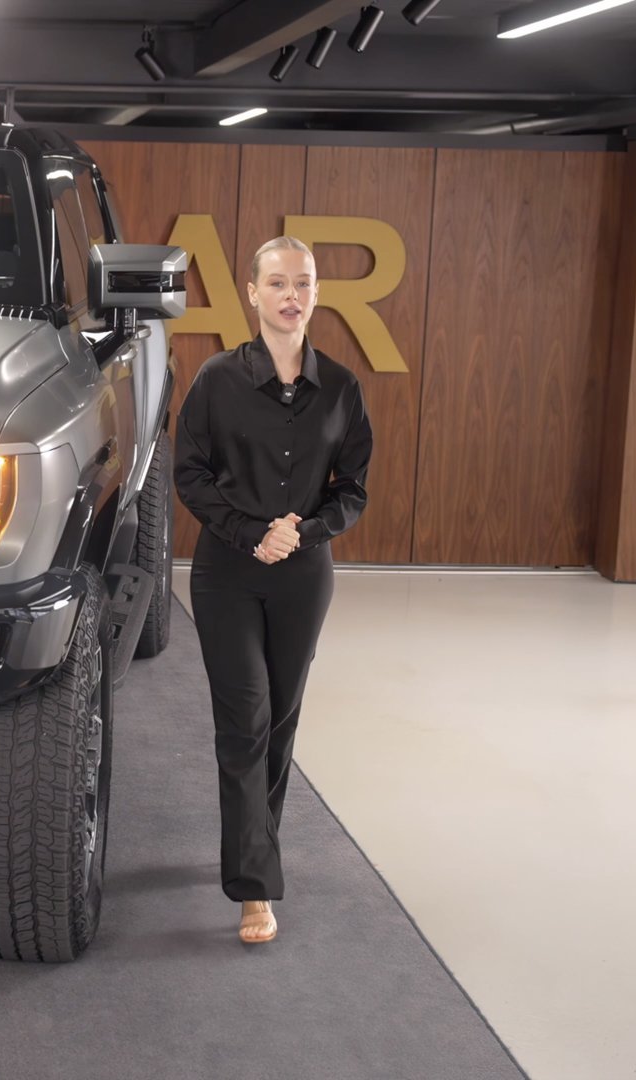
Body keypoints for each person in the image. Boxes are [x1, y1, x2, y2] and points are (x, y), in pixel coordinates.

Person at [173, 235, 373, 945]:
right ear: (253, 293)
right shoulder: (216, 380)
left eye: (304, 283)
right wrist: (251, 532)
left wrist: (303, 531)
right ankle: (253, 889)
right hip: (227, 574)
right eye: (279, 283)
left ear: (317, 294)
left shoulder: (341, 388)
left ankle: (255, 847)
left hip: (303, 576)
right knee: (246, 721)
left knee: (281, 723)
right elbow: (189, 473)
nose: (293, 295)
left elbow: (353, 490)